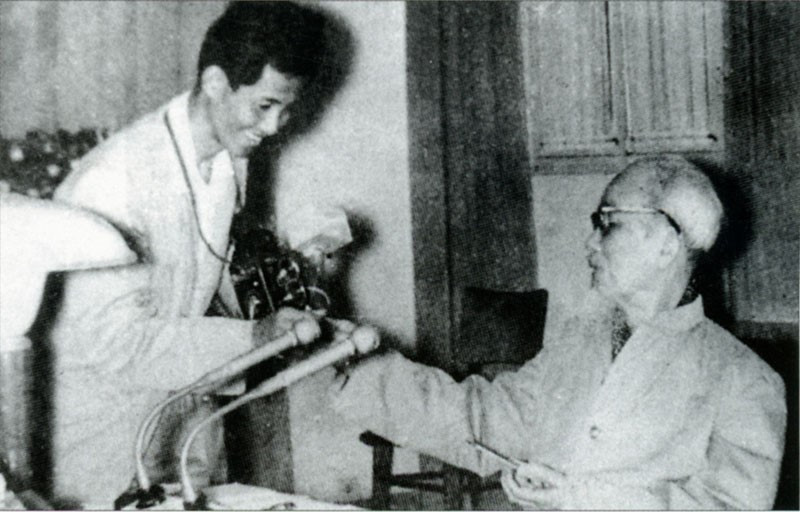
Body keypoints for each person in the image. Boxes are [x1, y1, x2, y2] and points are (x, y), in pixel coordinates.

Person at [330, 155, 787, 509]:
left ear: (667, 244)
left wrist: (582, 497)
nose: (590, 242)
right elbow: (484, 421)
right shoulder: (579, 340)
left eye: (608, 223)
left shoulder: (746, 380)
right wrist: (355, 364)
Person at [47, 2, 335, 506]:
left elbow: (196, 278)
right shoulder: (111, 182)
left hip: (183, 424)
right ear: (216, 83)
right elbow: (116, 344)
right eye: (265, 106)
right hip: (103, 443)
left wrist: (293, 318)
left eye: (286, 110)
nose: (275, 127)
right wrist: (255, 336)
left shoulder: (226, 160)